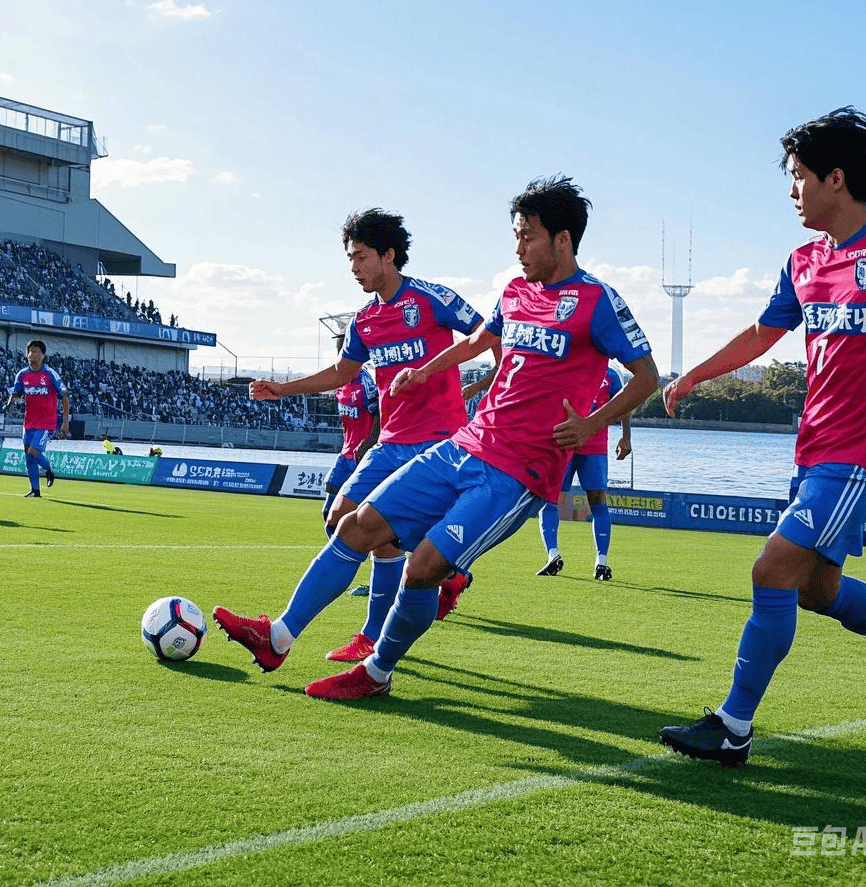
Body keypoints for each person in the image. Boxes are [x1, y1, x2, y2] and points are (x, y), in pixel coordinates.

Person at [216, 175, 659, 698]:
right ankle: (278, 638)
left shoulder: (597, 301)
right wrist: (427, 369)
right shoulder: (514, 292)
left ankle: (376, 672)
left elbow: (647, 376)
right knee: (357, 525)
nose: (518, 248)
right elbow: (478, 340)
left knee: (423, 567)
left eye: (528, 237)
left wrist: (592, 423)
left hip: (521, 471)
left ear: (562, 240)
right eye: (516, 235)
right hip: (464, 445)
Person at [659, 107, 866, 766]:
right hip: (814, 451)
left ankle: (733, 727)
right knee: (814, 591)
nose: (791, 190)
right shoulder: (801, 261)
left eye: (798, 177)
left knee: (771, 568)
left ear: (836, 178)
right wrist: (693, 378)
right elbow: (763, 334)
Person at [239, 208, 496, 664]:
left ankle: (367, 633)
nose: (354, 268)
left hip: (440, 441)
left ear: (388, 255)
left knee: (379, 533)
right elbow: (342, 372)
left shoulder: (433, 299)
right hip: (391, 441)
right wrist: (283, 389)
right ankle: (434, 581)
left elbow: (490, 336)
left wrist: (490, 395)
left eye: (360, 257)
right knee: (342, 517)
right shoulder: (363, 321)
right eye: (350, 259)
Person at [535, 365, 632, 580]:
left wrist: (626, 437)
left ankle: (602, 562)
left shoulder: (611, 374)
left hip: (594, 446)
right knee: (550, 499)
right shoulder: (566, 364)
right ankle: (552, 555)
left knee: (597, 500)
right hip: (563, 444)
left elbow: (624, 403)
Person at [322, 334, 380, 527]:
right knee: (328, 513)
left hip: (361, 456)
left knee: (353, 519)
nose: (341, 358)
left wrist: (369, 442)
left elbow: (381, 414)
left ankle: (350, 554)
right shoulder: (339, 383)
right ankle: (345, 554)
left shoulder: (367, 383)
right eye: (338, 353)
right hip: (345, 453)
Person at [6, 339, 71, 498]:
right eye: (30, 351)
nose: (32, 354)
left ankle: (48, 469)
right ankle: (35, 490)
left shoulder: (50, 374)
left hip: (46, 422)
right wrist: (10, 400)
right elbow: (16, 393)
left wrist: (65, 422)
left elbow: (64, 396)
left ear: (43, 355)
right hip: (28, 422)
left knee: (32, 452)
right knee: (28, 455)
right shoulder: (22, 374)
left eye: (36, 351)